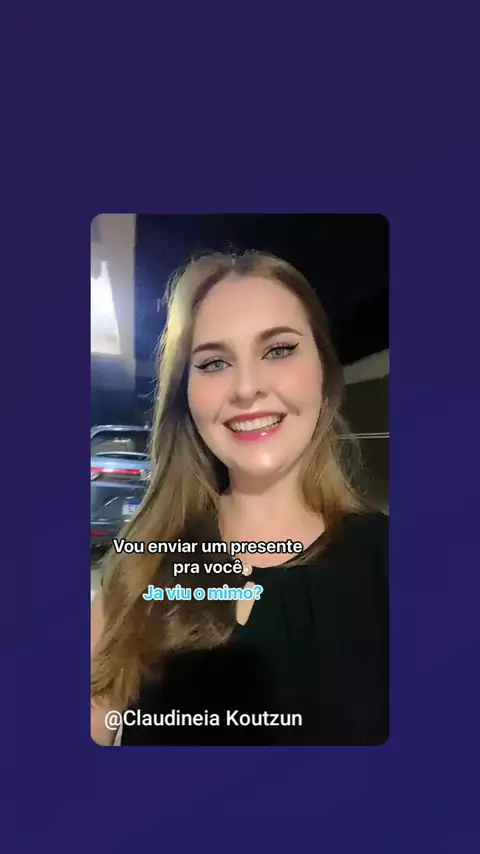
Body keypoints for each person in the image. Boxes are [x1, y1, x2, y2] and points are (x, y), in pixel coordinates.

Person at [91, 250, 389, 746]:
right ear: (186, 396)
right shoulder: (140, 568)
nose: (247, 388)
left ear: (324, 372)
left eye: (279, 350)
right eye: (214, 362)